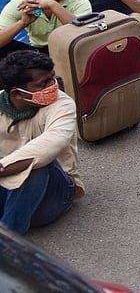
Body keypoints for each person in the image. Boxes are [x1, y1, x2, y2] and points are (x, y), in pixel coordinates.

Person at [0, 51, 82, 235]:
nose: (53, 85)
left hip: (53, 194)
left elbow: (51, 144)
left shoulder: (62, 104)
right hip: (6, 186)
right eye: (43, 84)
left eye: (52, 78)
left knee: (37, 164)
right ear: (17, 93)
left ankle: (7, 247)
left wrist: (3, 167)